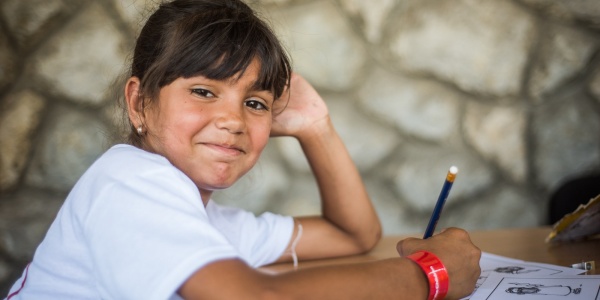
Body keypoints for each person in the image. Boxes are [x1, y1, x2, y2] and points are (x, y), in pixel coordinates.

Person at [5, 0, 481, 299]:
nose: (233, 119)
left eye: (254, 102)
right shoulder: (128, 183)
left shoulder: (208, 225)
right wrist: (429, 275)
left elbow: (351, 234)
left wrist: (316, 128)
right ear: (139, 103)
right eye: (204, 91)